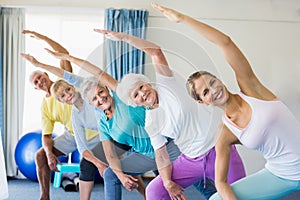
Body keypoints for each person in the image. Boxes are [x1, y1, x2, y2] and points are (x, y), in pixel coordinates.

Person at [152, 3, 300, 200]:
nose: (213, 89)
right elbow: (220, 182)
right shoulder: (224, 133)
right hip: (280, 175)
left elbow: (226, 42)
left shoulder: (252, 89)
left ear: (220, 80)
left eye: (213, 82)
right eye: (205, 91)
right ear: (203, 102)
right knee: (216, 198)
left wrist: (183, 19)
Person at [96, 22, 245, 200]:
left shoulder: (167, 84)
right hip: (191, 159)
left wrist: (124, 37)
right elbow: (161, 154)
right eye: (136, 95)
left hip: (219, 149)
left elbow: (155, 51)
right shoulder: (151, 122)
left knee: (241, 194)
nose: (142, 93)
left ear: (147, 83)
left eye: (142, 87)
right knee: (155, 191)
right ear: (134, 103)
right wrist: (167, 182)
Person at [44, 48, 184, 200]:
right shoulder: (103, 123)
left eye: (101, 93)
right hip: (145, 155)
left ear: (106, 89)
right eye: (95, 99)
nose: (100, 99)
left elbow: (98, 73)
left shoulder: (122, 95)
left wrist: (67, 57)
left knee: (188, 183)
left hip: (166, 146)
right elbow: (110, 155)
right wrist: (121, 176)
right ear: (91, 104)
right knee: (111, 174)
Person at [21, 53, 147, 199]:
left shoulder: (87, 91)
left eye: (68, 90)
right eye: (63, 96)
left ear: (73, 87)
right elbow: (81, 147)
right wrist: (98, 164)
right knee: (87, 165)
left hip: (117, 132)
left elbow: (67, 71)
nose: (68, 95)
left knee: (124, 163)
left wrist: (39, 64)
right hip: (98, 137)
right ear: (61, 101)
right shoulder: (73, 114)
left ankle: (146, 193)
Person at [22, 30, 77, 200]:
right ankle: (44, 196)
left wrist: (42, 38)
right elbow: (46, 135)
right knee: (40, 155)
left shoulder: (64, 82)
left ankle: (144, 192)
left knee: (117, 160)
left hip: (91, 131)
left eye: (40, 77)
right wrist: (49, 153)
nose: (40, 82)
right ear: (36, 88)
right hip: (72, 135)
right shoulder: (45, 106)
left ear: (46, 74)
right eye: (36, 82)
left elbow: (65, 54)